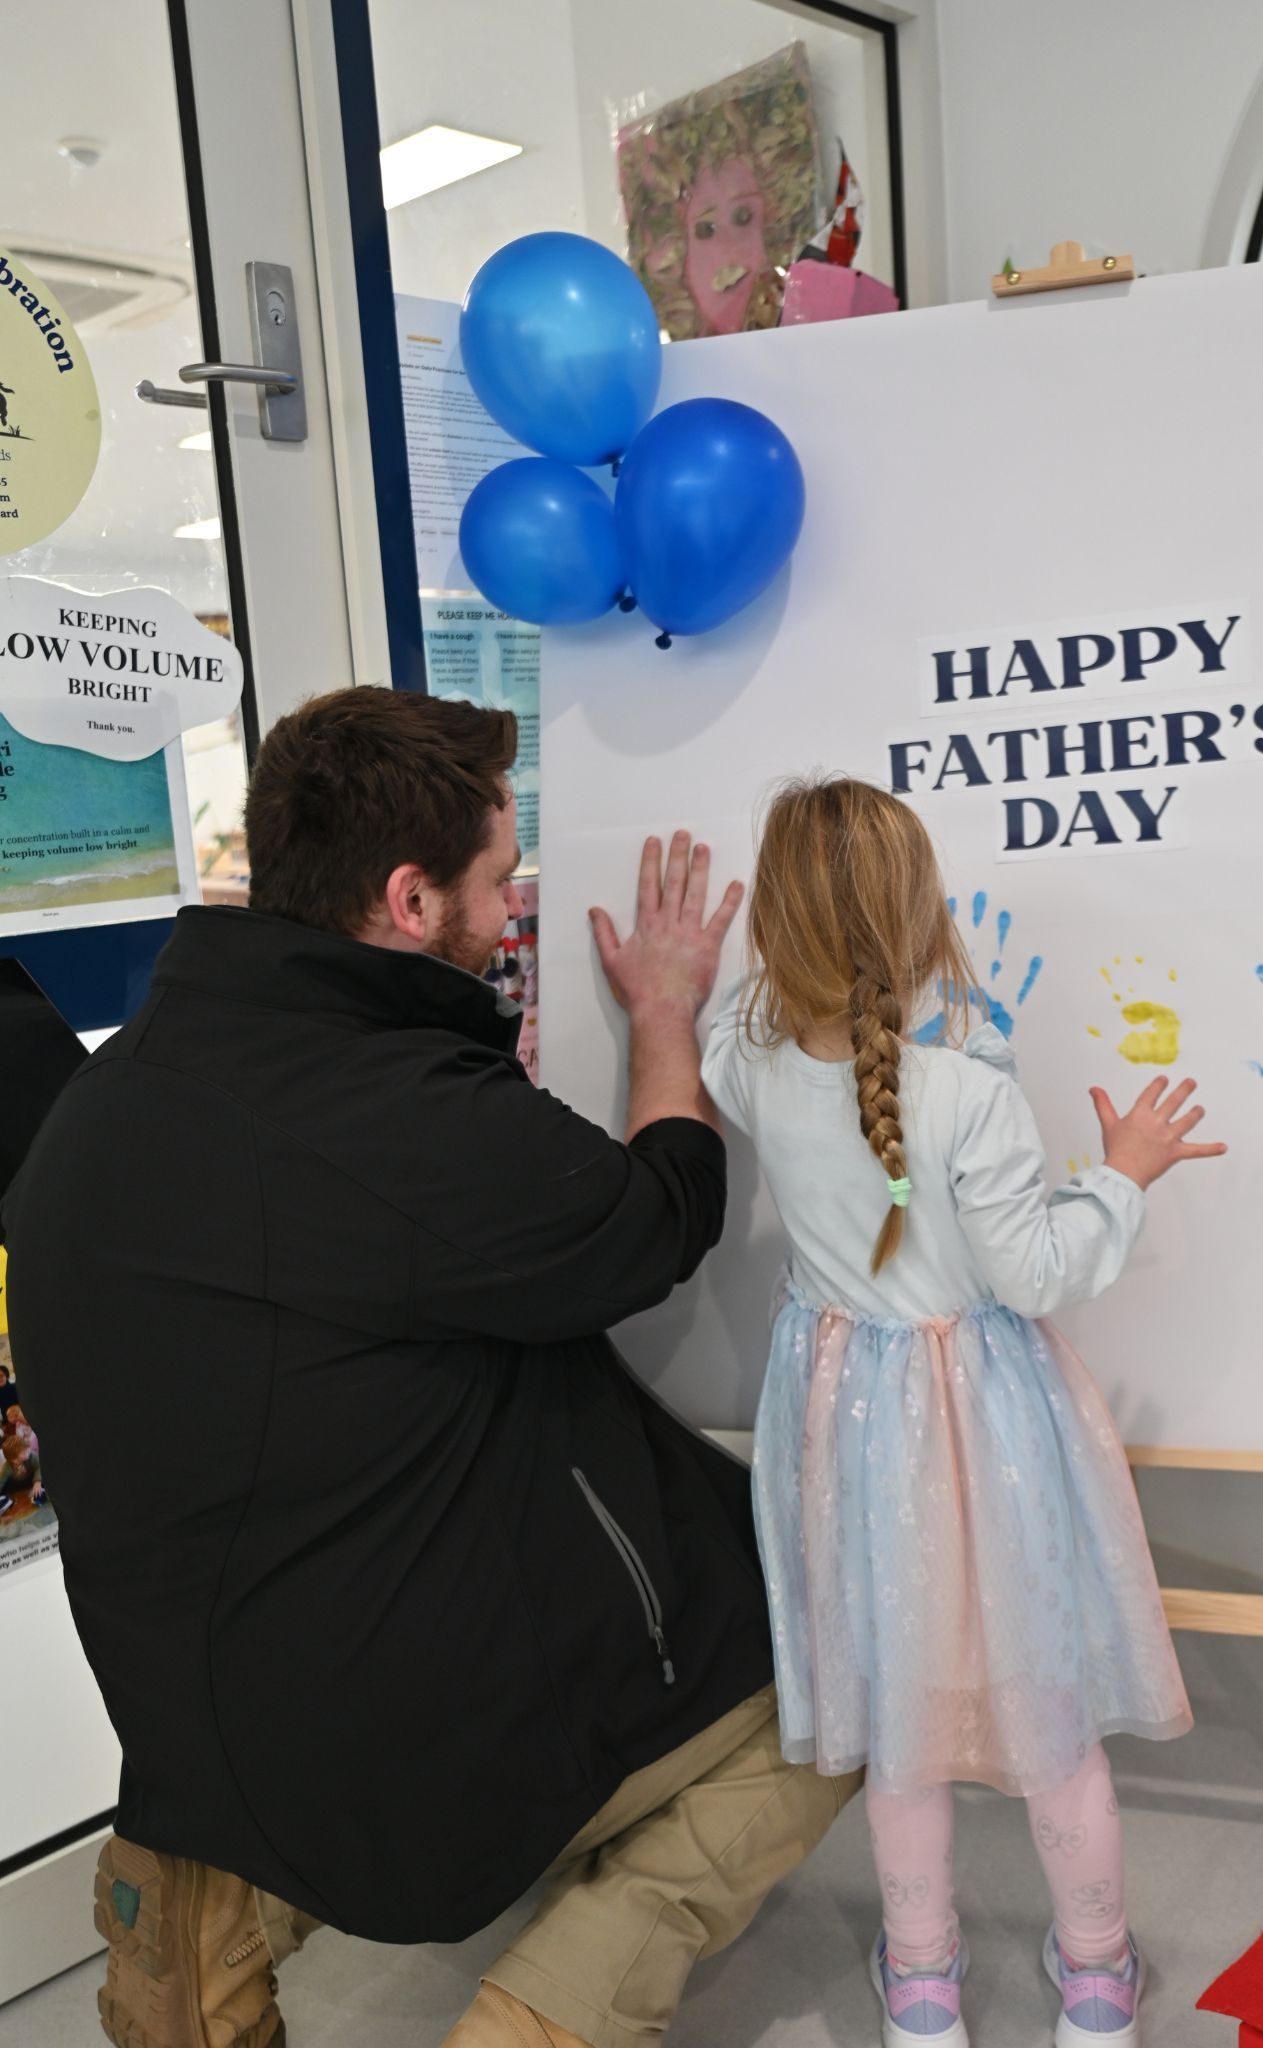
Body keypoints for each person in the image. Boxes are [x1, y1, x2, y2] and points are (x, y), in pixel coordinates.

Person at [1, 688, 858, 2048]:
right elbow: (655, 1219)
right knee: (840, 1670)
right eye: (500, 877)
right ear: (410, 899)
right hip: (398, 1732)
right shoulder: (407, 1114)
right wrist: (663, 1017)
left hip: (191, 1713)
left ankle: (198, 1899)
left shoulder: (116, 1094)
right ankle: (546, 2016)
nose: (512, 905)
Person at [702, 777, 1227, 2048]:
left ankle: (925, 1982)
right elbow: (1033, 1272)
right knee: (1048, 1709)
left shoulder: (747, 1062)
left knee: (905, 1726)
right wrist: (1123, 1174)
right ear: (925, 919)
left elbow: (733, 1018)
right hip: (988, 1436)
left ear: (772, 929)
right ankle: (1096, 1976)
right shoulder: (964, 1090)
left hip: (849, 1434)